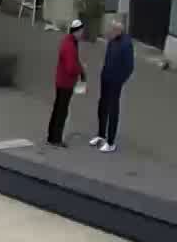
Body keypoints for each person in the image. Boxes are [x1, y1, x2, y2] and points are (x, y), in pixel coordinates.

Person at [93, 18, 135, 152]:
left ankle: (111, 143)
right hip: (105, 78)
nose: (109, 31)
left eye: (112, 29)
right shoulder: (112, 40)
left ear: (118, 30)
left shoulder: (126, 44)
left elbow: (129, 67)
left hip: (115, 81)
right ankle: (101, 135)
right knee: (102, 105)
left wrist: (120, 80)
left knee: (113, 110)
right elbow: (108, 58)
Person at [48, 19, 85, 146]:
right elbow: (70, 68)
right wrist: (80, 69)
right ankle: (56, 139)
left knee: (57, 109)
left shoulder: (68, 41)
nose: (82, 34)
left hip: (61, 81)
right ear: (76, 32)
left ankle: (51, 136)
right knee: (62, 111)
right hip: (66, 83)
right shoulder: (70, 46)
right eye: (81, 31)